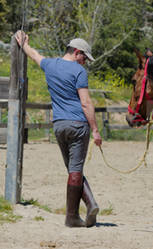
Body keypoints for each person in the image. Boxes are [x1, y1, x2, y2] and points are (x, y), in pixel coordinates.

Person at [15, 30, 102, 228]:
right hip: (78, 124)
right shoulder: (79, 71)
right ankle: (72, 217)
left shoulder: (51, 65)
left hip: (59, 125)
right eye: (84, 57)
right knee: (76, 169)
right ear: (76, 52)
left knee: (72, 168)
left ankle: (91, 204)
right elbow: (86, 103)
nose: (85, 62)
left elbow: (35, 56)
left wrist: (24, 43)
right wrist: (95, 130)